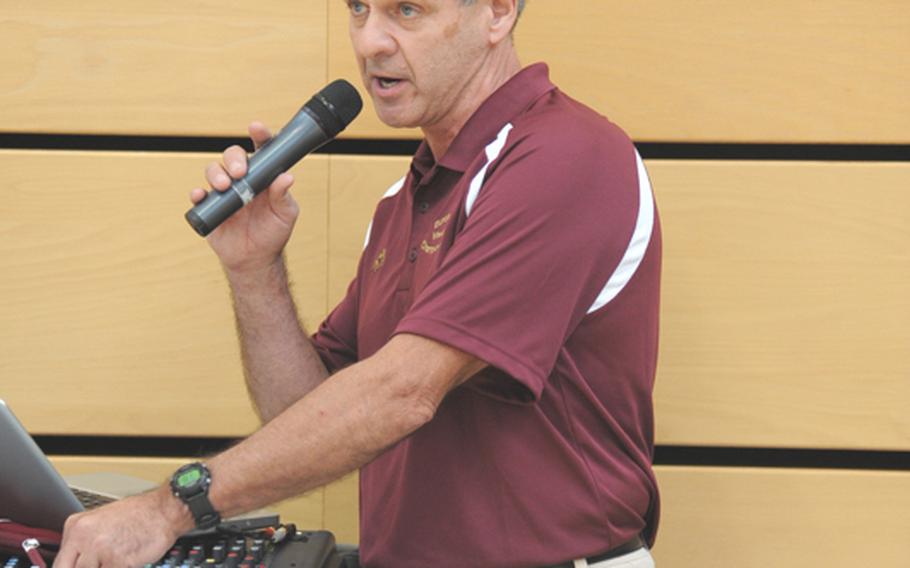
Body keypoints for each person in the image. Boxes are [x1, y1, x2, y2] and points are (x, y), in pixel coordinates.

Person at [54, 1, 661, 567]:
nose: (370, 41)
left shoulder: (567, 155)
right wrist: (254, 269)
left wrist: (173, 506)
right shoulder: (404, 201)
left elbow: (404, 392)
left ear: (498, 10)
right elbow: (303, 412)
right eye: (357, 8)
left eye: (407, 9)